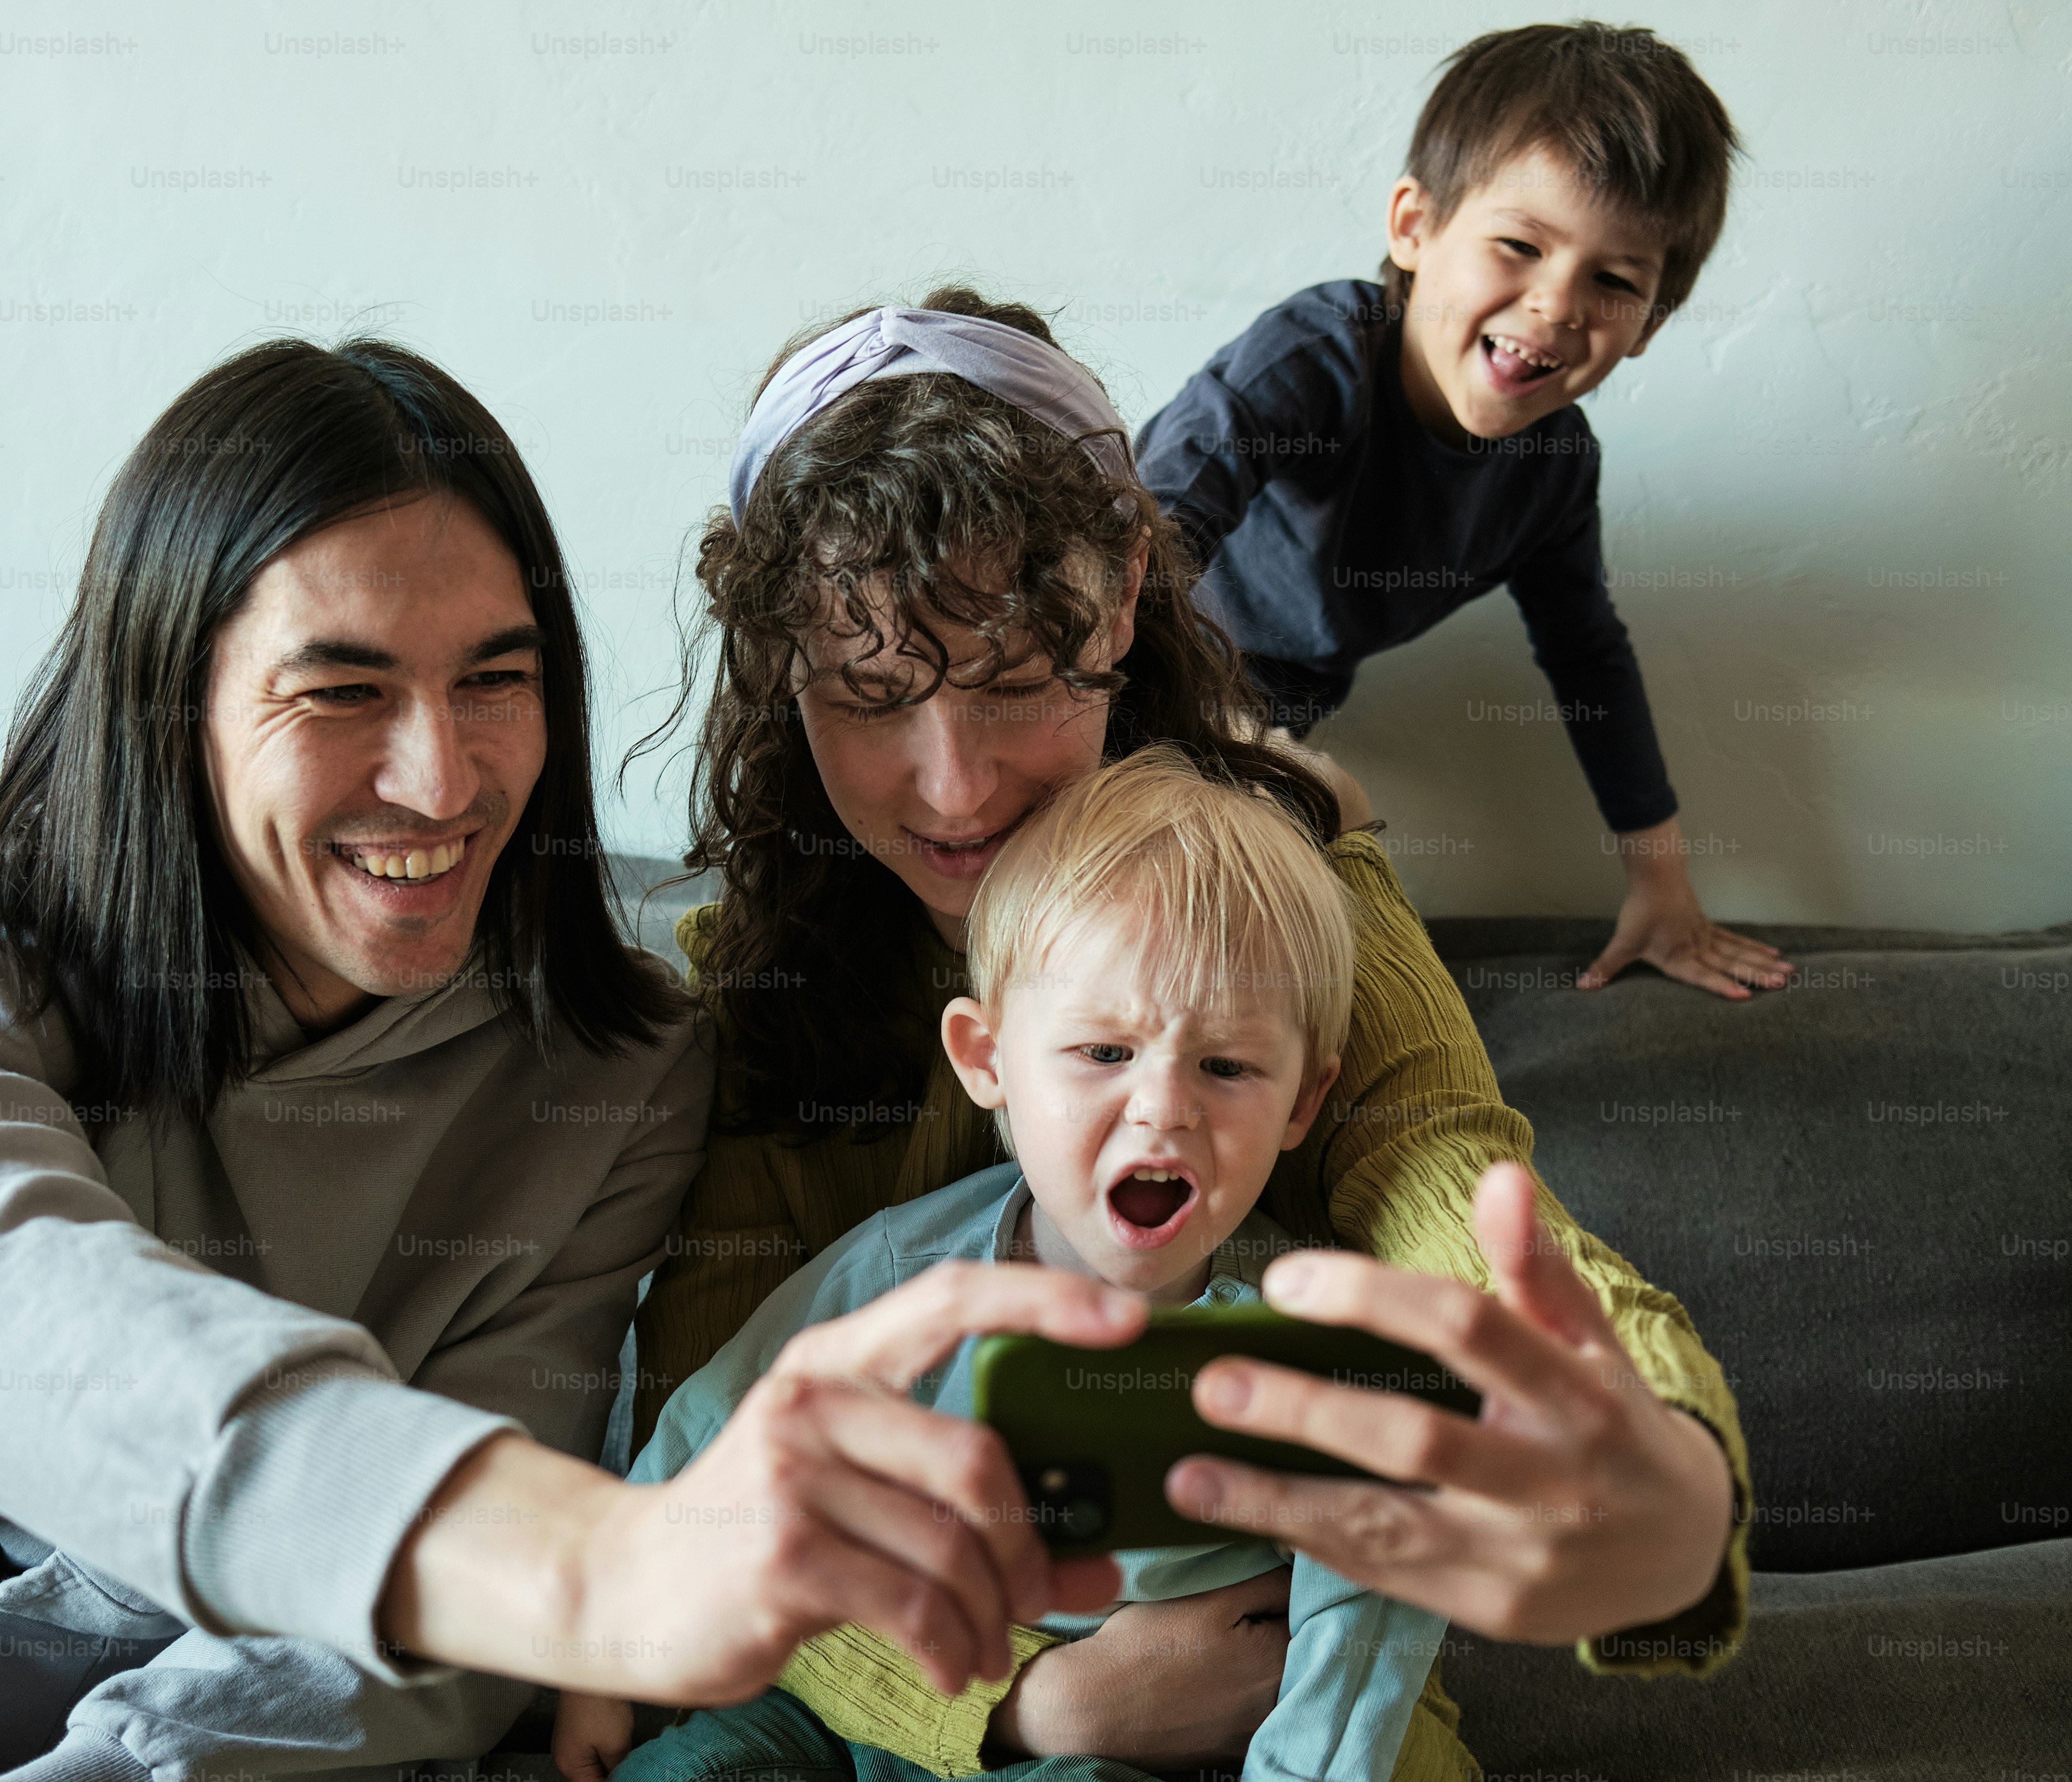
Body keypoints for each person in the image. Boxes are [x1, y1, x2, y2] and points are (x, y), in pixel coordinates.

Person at [0, 339, 1145, 1776]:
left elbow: (431, 1649)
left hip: (321, 1661)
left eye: (497, 678)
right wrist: (595, 1557)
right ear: (174, 695)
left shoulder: (613, 1060)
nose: (443, 776)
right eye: (342, 691)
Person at [635, 289, 1752, 1775]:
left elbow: (1448, 1186)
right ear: (786, 666)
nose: (954, 785)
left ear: (1124, 597)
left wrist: (1659, 1468)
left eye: (1019, 680)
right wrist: (1024, 1709)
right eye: (873, 692)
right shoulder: (751, 985)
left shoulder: (1292, 887)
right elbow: (698, 1495)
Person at [565, 746, 1465, 1782]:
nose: (1162, 1107)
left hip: (1121, 1749)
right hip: (848, 1711)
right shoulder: (911, 1269)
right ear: (987, 1061)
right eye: (1102, 1053)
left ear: (1303, 1101)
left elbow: (1366, 1610)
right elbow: (720, 1420)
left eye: (1225, 1067)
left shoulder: (1311, 1347)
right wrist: (605, 1653)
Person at [1132, 22, 1794, 1001]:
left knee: (1308, 956)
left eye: (1614, 281)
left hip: (1279, 726)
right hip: (1128, 679)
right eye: (1520, 245)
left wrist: (1662, 882)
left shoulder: (1555, 471)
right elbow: (1146, 532)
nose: (1557, 305)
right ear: (1414, 227)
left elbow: (1589, 660)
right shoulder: (1318, 359)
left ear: (1650, 323)